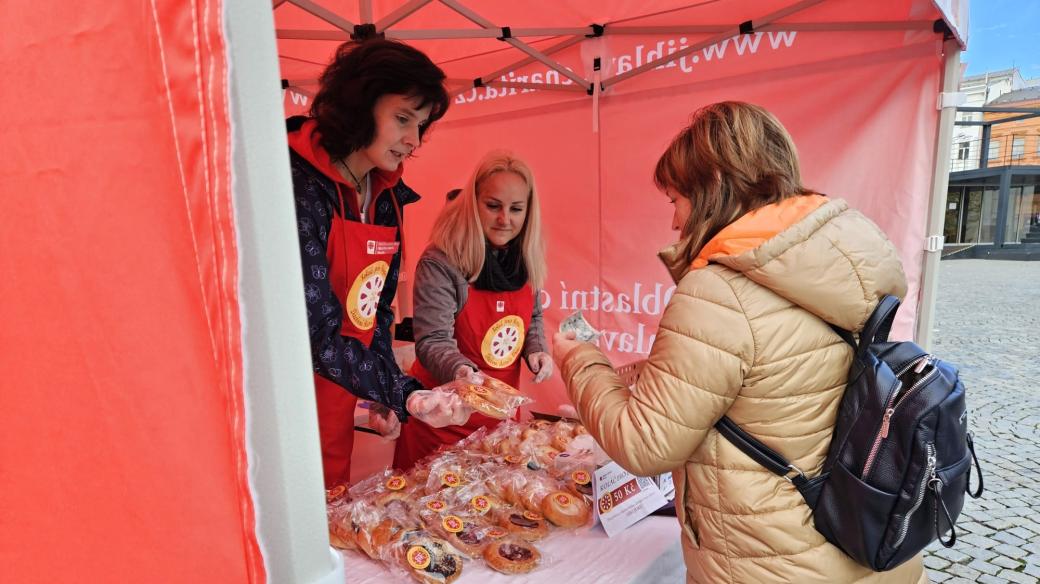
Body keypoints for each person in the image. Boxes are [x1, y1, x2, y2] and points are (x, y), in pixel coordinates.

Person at [552, 102, 926, 584]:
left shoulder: (719, 290)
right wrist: (661, 374)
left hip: (769, 564)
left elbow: (644, 446)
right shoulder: (832, 260)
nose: (673, 222)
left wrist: (579, 358)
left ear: (712, 191)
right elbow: (778, 375)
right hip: (862, 544)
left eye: (675, 200)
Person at [287, 39, 459, 489]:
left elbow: (376, 308)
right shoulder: (296, 182)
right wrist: (402, 392)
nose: (413, 141)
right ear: (359, 105)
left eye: (420, 125)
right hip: (285, 404)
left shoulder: (384, 195)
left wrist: (379, 389)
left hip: (340, 394)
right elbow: (315, 330)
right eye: (402, 119)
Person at [393, 151, 553, 470]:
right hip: (442, 423)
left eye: (516, 209)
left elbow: (530, 318)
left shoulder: (525, 256)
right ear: (473, 203)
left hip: (499, 426)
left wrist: (536, 350)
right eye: (493, 206)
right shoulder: (442, 261)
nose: (505, 219)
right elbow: (433, 341)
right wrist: (462, 372)